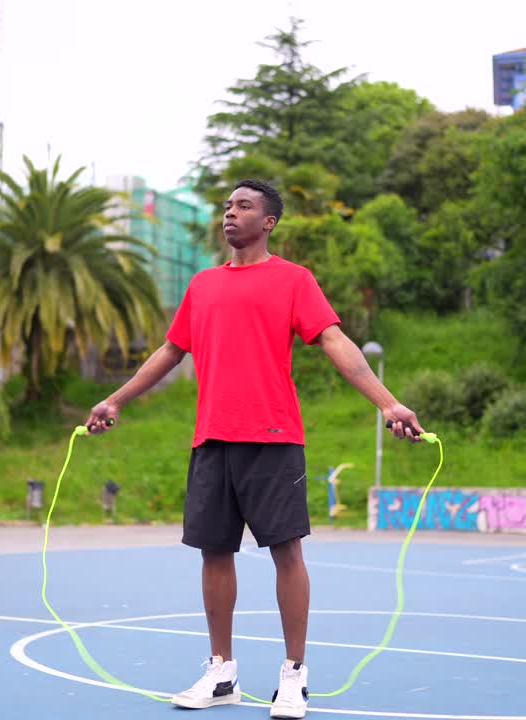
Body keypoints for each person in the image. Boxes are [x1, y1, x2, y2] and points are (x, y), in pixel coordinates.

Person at [85, 179, 426, 719]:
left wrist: (388, 403)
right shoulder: (202, 285)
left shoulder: (294, 280)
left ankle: (294, 676)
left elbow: (335, 341)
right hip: (212, 439)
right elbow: (171, 350)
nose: (230, 213)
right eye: (227, 206)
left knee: (286, 552)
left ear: (268, 222)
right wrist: (115, 399)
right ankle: (221, 672)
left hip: (274, 438)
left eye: (243, 206)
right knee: (213, 551)